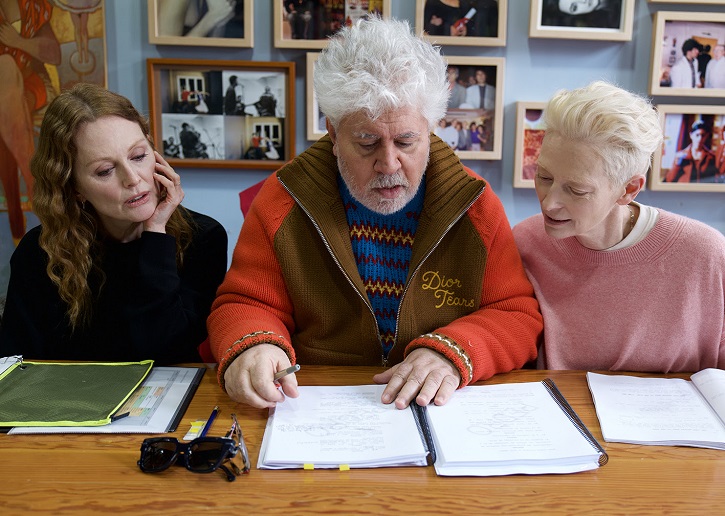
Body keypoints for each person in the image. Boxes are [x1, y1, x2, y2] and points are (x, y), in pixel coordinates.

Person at [207, 17, 542, 410]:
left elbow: (515, 314)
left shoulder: (475, 204)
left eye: (406, 141)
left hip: (435, 405)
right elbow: (245, 304)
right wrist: (255, 345)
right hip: (317, 401)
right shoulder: (283, 200)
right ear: (333, 132)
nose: (389, 163)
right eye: (366, 142)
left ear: (431, 128)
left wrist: (451, 353)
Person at [0, 83, 228, 363]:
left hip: (165, 400)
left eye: (138, 156)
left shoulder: (204, 237)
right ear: (74, 188)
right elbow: (15, 360)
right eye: (105, 170)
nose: (133, 179)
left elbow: (168, 350)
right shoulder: (40, 251)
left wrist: (156, 234)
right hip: (67, 401)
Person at [513, 81, 725, 372]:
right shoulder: (525, 242)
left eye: (576, 190)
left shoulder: (705, 254)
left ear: (629, 189)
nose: (549, 204)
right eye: (544, 177)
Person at [0, 0, 61, 245]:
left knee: (5, 69)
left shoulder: (32, 7)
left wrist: (19, 42)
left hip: (29, 84)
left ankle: (17, 227)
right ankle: (37, 184)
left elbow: (54, 54)